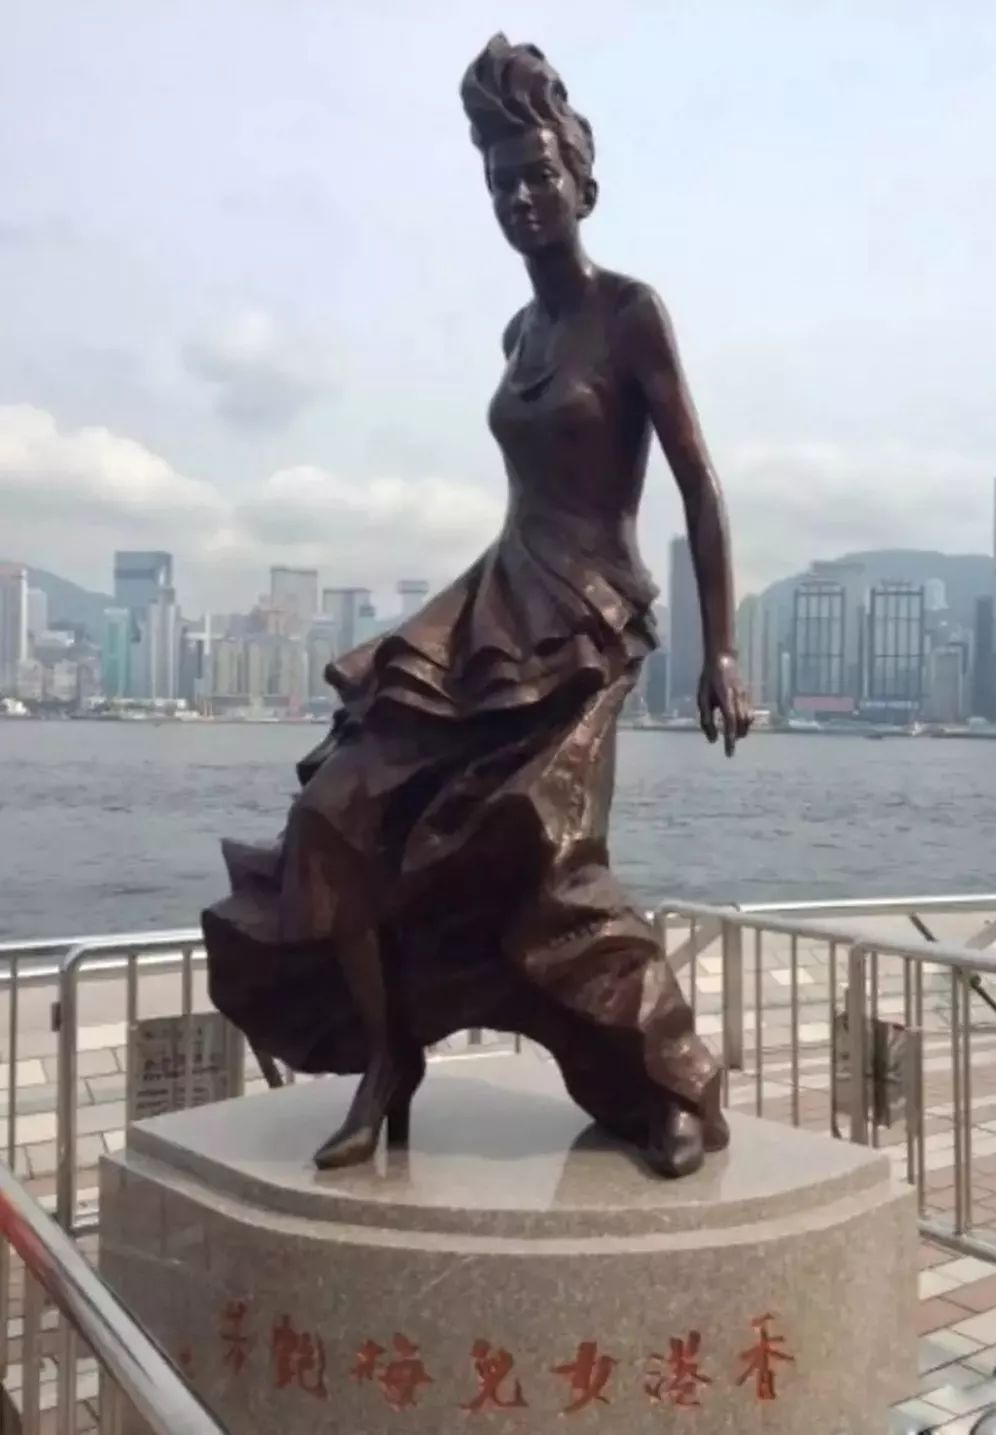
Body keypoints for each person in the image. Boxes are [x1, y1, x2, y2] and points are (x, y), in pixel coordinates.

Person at [202, 33, 751, 1180]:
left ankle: (668, 1084)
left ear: (580, 178)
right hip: (496, 606)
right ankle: (387, 1060)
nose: (520, 198)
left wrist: (724, 652)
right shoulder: (521, 335)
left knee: (546, 852)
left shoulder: (630, 313)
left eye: (538, 174)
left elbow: (700, 484)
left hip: (588, 620)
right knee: (342, 813)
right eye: (501, 182)